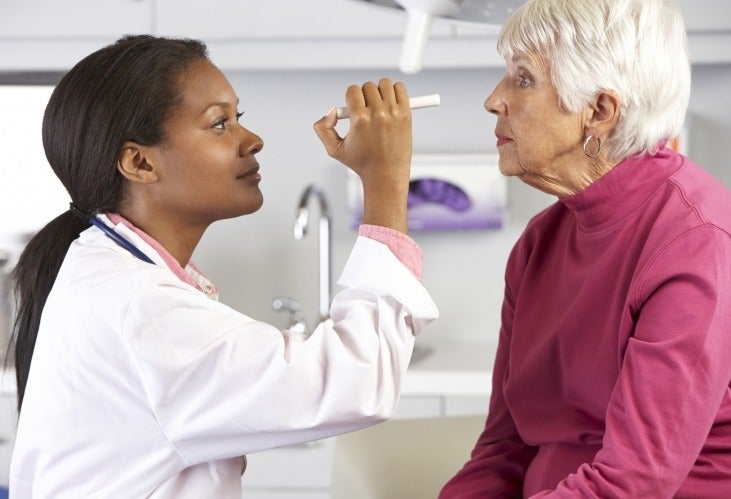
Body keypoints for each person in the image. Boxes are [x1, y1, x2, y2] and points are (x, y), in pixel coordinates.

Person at [8, 34, 438, 497]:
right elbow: (356, 380)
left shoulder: (110, 271)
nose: (252, 141)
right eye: (219, 124)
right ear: (139, 162)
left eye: (239, 118)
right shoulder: (142, 308)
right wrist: (388, 180)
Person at [440, 0, 731, 497]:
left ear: (598, 111)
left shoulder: (694, 243)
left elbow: (632, 482)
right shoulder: (539, 242)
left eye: (523, 78)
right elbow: (502, 449)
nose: (493, 99)